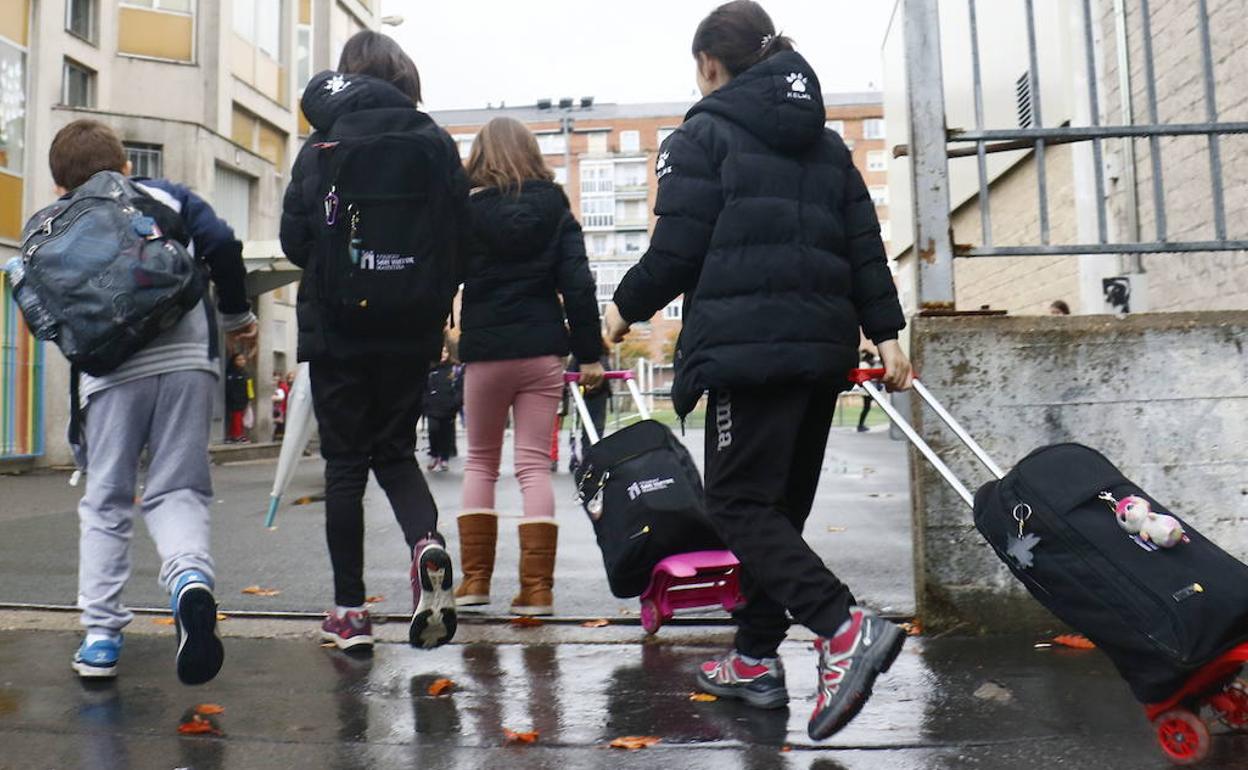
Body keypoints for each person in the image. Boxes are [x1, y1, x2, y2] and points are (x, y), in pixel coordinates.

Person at [604, 1, 914, 740]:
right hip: (822, 352)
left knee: (741, 507)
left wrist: (619, 312)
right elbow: (863, 242)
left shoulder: (702, 135)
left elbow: (678, 249)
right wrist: (887, 332)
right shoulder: (828, 145)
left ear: (710, 64)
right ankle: (753, 658)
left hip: (749, 353)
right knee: (779, 513)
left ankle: (842, 628)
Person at [279, 30, 470, 651]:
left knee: (344, 467)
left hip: (338, 328)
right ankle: (427, 545)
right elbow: (459, 239)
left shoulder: (321, 144)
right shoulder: (435, 141)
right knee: (394, 453)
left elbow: (294, 240)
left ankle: (349, 613)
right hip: (410, 328)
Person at [50, 119, 256, 683]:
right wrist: (237, 315)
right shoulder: (167, 195)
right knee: (177, 487)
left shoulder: (55, 223)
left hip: (110, 370)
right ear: (125, 168)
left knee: (107, 499)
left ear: (58, 185)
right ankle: (189, 580)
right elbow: (222, 243)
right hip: (188, 358)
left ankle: (100, 638)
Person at [453, 117, 605, 616]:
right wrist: (589, 354)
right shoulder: (555, 206)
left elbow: (442, 274)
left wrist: (439, 331)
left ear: (480, 156)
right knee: (534, 466)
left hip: (485, 352)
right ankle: (536, 590)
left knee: (480, 461)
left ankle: (474, 582)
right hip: (541, 349)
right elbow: (578, 285)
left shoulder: (466, 211)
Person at [424, 348, 462, 473]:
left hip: (448, 408)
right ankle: (434, 454)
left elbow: (459, 387)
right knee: (433, 430)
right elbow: (424, 387)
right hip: (432, 407)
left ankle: (444, 458)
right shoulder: (430, 369)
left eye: (445, 352)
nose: (442, 355)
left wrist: (456, 402)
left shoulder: (454, 369)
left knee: (446, 433)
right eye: (440, 352)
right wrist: (425, 402)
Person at [224, 353, 253, 443]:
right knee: (236, 417)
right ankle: (236, 435)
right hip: (234, 400)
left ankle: (235, 435)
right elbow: (230, 388)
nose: (242, 361)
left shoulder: (245, 373)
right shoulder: (231, 373)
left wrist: (250, 397)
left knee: (240, 417)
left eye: (243, 359)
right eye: (239, 360)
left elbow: (249, 386)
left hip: (244, 399)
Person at [857, 349, 879, 433]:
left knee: (867, 407)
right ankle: (860, 425)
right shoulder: (864, 365)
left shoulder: (865, 364)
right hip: (865, 390)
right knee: (866, 407)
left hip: (866, 390)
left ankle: (861, 425)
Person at [271, 372, 290, 442]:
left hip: (280, 409)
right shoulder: (281, 386)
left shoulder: (281, 387)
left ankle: (278, 437)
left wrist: (273, 397)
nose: (274, 381)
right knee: (279, 425)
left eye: (275, 379)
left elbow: (281, 397)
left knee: (280, 425)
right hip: (280, 409)